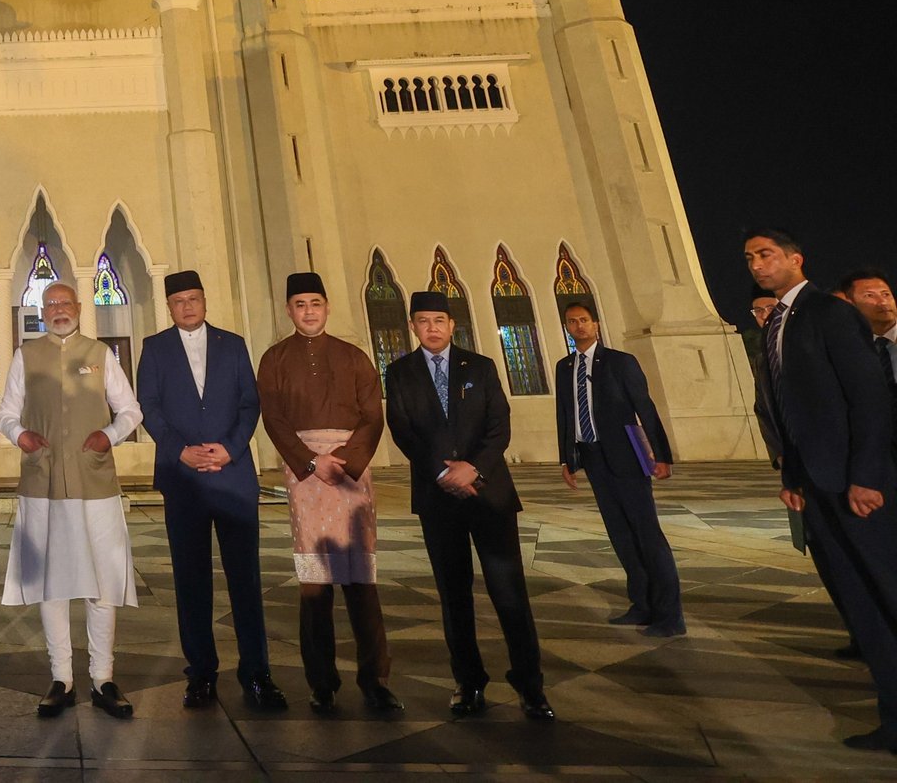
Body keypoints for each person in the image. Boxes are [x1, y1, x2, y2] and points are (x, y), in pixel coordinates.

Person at [744, 229, 897, 753]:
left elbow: (868, 397)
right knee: (860, 605)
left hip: (855, 487)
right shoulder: (776, 327)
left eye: (766, 255)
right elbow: (789, 406)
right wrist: (792, 479)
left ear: (794, 258)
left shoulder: (829, 314)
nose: (757, 265)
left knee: (887, 593)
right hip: (816, 487)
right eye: (750, 258)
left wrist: (868, 476)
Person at [384, 291, 553, 722]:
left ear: (451, 324)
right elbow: (403, 431)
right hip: (438, 499)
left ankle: (530, 684)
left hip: (489, 495)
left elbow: (499, 425)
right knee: (453, 595)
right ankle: (469, 681)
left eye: (439, 320)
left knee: (509, 592)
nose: (432, 328)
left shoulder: (480, 366)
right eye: (423, 321)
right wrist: (443, 474)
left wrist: (473, 469)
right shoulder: (400, 372)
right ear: (412, 326)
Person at [135, 268, 285, 711]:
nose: (188, 307)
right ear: (170, 307)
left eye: (194, 299)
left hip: (232, 476)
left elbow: (249, 403)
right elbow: (149, 405)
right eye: (179, 301)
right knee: (191, 579)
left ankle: (257, 673)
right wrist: (180, 451)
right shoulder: (155, 348)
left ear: (204, 301)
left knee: (245, 579)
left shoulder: (232, 345)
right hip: (183, 479)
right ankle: (200, 672)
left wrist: (231, 449)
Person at [255, 272, 398, 715]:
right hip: (305, 475)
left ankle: (375, 680)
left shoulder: (354, 357)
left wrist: (347, 460)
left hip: (352, 472)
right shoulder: (274, 359)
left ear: (327, 306)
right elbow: (273, 418)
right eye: (300, 304)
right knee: (314, 584)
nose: (309, 311)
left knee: (362, 582)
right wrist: (312, 462)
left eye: (315, 302)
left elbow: (373, 417)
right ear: (289, 310)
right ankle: (321, 682)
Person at [0, 279, 142, 719]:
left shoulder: (100, 356)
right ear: (42, 312)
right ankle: (61, 677)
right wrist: (20, 436)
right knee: (51, 582)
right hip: (43, 483)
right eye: (51, 304)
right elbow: (7, 411)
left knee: (101, 581)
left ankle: (103, 678)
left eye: (65, 302)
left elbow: (131, 410)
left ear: (79, 307)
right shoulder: (27, 356)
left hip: (94, 484)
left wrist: (109, 435)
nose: (59, 309)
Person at [554, 303, 683, 637]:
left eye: (584, 320)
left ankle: (669, 615)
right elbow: (565, 414)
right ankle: (641, 604)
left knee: (647, 533)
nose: (579, 326)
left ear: (596, 324)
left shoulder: (619, 362)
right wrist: (567, 458)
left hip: (627, 456)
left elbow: (645, 407)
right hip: (594, 458)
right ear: (566, 327)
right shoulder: (564, 366)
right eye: (572, 322)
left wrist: (662, 455)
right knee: (621, 535)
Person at [840, 270, 897, 430]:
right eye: (869, 296)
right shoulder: (847, 349)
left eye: (886, 294)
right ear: (850, 304)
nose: (882, 302)